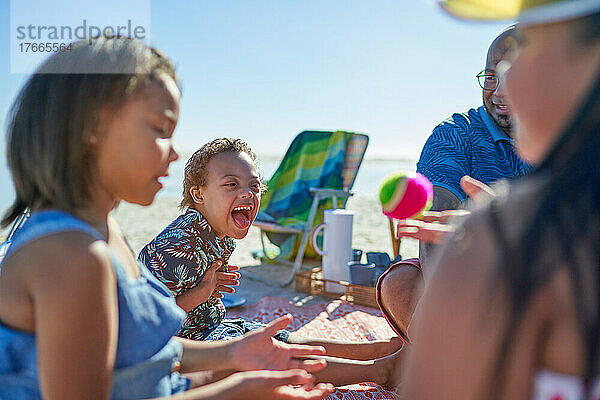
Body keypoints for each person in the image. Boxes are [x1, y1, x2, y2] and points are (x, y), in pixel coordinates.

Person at [0, 37, 336, 400]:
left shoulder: (103, 229)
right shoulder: (70, 256)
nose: (175, 153)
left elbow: (139, 352)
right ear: (91, 127)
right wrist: (236, 390)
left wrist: (234, 352)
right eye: (161, 130)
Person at [401, 1, 600, 399]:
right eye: (490, 76)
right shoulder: (456, 135)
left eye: (527, 51)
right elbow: (437, 220)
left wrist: (497, 234)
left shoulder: (504, 231)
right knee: (403, 282)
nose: (502, 87)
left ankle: (406, 360)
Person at [139, 137, 404, 387]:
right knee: (276, 356)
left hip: (214, 325)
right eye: (231, 184)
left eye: (254, 186)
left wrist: (209, 288)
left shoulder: (218, 234)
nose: (247, 193)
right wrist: (201, 293)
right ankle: (380, 370)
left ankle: (376, 349)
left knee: (283, 338)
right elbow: (147, 326)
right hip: (186, 348)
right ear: (199, 195)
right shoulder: (178, 246)